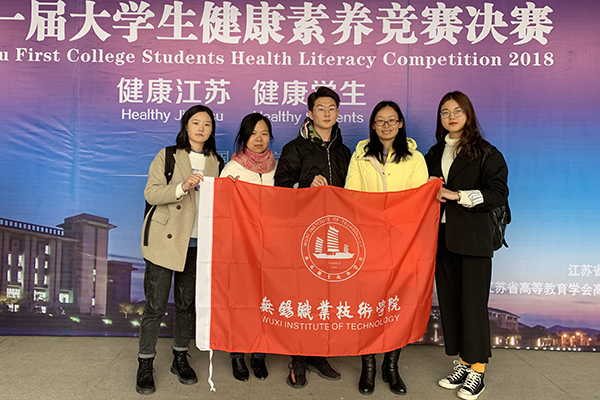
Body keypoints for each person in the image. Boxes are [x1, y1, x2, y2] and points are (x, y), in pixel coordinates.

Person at [424, 91, 508, 400]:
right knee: (451, 303)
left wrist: (457, 195)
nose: (451, 117)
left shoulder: (486, 152)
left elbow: (498, 193)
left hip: (473, 239)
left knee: (473, 305)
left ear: (468, 114)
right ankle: (462, 362)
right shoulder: (434, 152)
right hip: (442, 238)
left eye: (457, 111)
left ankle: (478, 370)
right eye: (445, 112)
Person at [136, 105, 224, 395]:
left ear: (212, 130)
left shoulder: (216, 161)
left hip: (198, 243)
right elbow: (151, 193)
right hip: (165, 241)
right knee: (155, 306)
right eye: (195, 122)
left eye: (207, 124)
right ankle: (145, 362)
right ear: (186, 126)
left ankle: (180, 357)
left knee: (186, 306)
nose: (201, 128)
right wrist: (181, 187)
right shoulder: (168, 155)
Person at [345, 101, 428, 395]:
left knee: (397, 304)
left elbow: (417, 199)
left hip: (402, 241)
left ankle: (391, 365)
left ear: (401, 124)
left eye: (392, 120)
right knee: (368, 303)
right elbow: (352, 196)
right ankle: (368, 365)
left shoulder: (415, 158)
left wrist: (394, 222)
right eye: (380, 121)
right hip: (368, 240)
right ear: (373, 125)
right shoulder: (360, 155)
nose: (386, 126)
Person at [274, 86, 351, 388]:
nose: (327, 113)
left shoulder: (345, 152)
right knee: (301, 296)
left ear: (338, 113)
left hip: (336, 235)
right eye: (320, 108)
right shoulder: (295, 148)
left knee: (328, 297)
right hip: (302, 234)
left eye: (332, 108)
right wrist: (305, 186)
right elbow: (281, 187)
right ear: (310, 113)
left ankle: (319, 353)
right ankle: (297, 358)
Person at [220, 113, 276, 381]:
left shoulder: (276, 167)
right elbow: (221, 208)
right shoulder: (233, 169)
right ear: (244, 136)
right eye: (253, 133)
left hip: (269, 249)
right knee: (240, 303)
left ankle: (259, 354)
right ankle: (237, 355)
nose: (259, 139)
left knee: (264, 301)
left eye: (264, 133)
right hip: (240, 248)